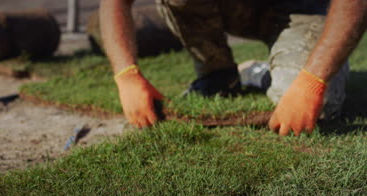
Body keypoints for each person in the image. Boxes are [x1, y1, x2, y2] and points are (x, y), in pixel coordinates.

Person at [99, 0, 367, 136]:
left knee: (318, 111)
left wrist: (313, 81)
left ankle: (262, 74)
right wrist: (126, 75)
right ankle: (217, 75)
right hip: (237, 7)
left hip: (302, 7)